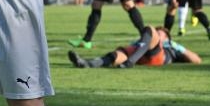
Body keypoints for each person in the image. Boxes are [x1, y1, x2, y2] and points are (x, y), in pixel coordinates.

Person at [68, 25, 201, 69]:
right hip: (139, 54)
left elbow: (196, 60)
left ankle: (130, 61)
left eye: (160, 33)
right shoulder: (142, 41)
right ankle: (87, 63)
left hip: (155, 57)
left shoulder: (170, 48)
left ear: (166, 38)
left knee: (149, 28)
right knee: (117, 54)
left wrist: (178, 47)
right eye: (157, 32)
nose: (158, 33)